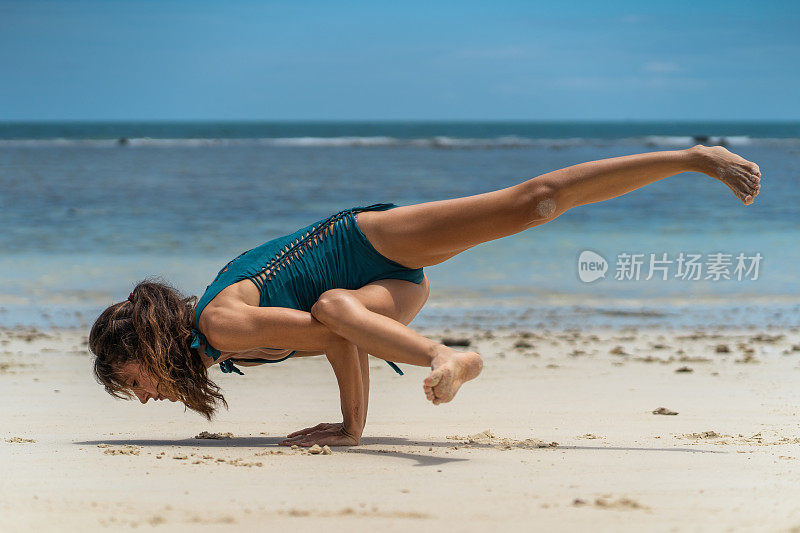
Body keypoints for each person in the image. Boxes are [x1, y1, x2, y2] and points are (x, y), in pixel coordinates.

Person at [88, 144, 761, 447]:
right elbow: (340, 329)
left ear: (144, 344)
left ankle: (693, 157)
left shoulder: (221, 322)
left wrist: (353, 420)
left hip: (366, 243)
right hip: (378, 297)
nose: (144, 395)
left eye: (133, 379)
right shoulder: (218, 344)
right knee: (333, 311)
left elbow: (333, 332)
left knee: (534, 203)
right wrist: (353, 428)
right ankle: (447, 359)